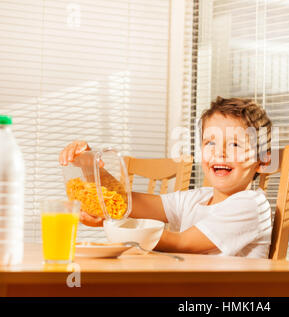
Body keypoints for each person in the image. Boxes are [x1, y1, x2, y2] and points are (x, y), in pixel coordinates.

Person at [59, 96, 274, 258]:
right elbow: (127, 203)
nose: (220, 153)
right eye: (210, 142)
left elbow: (181, 243)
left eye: (235, 144)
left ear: (263, 160)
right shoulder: (197, 198)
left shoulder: (251, 205)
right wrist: (90, 166)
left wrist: (117, 227)